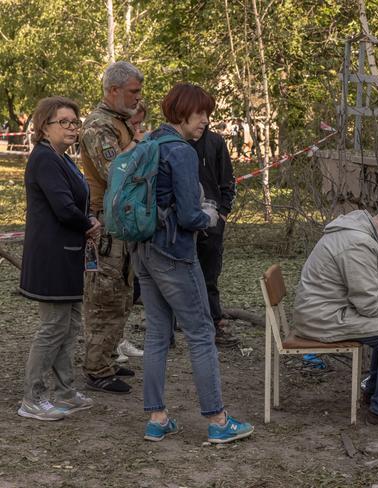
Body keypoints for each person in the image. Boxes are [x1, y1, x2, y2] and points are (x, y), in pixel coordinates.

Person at [132, 83, 253, 444]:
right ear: (181, 112)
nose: (205, 121)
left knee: (157, 333)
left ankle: (157, 418)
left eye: (207, 114)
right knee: (201, 333)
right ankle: (218, 420)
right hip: (173, 252)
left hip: (144, 249)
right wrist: (210, 217)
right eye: (200, 113)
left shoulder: (148, 143)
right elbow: (187, 215)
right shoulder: (180, 152)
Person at [293, 209, 378, 432]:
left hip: (324, 310)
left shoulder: (356, 231)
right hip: (323, 317)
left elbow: (370, 296)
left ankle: (375, 393)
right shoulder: (357, 243)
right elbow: (368, 301)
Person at [17, 97, 101, 421]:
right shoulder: (44, 159)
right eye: (62, 122)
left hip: (69, 256)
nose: (70, 127)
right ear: (44, 127)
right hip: (50, 258)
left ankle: (65, 391)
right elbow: (64, 207)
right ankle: (32, 397)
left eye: (74, 122)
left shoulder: (63, 158)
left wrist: (87, 219)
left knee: (69, 326)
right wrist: (89, 223)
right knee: (52, 327)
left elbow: (78, 201)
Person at [79, 61, 143, 394]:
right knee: (104, 295)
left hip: (121, 221)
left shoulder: (119, 123)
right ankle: (95, 368)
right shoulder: (98, 126)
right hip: (103, 224)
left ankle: (106, 359)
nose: (138, 97)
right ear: (113, 90)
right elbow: (116, 171)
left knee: (122, 294)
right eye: (133, 91)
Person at [189, 125, 238, 347]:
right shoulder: (173, 142)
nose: (201, 120)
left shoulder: (215, 142)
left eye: (205, 114)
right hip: (180, 223)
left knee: (209, 276)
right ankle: (168, 329)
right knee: (176, 277)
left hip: (211, 223)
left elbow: (228, 180)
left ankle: (215, 324)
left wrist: (222, 213)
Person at [112, 101, 149, 363]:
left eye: (140, 123)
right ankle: (110, 345)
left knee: (127, 288)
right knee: (111, 289)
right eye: (134, 123)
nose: (138, 128)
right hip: (115, 217)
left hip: (131, 217)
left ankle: (119, 338)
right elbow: (118, 170)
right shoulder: (113, 137)